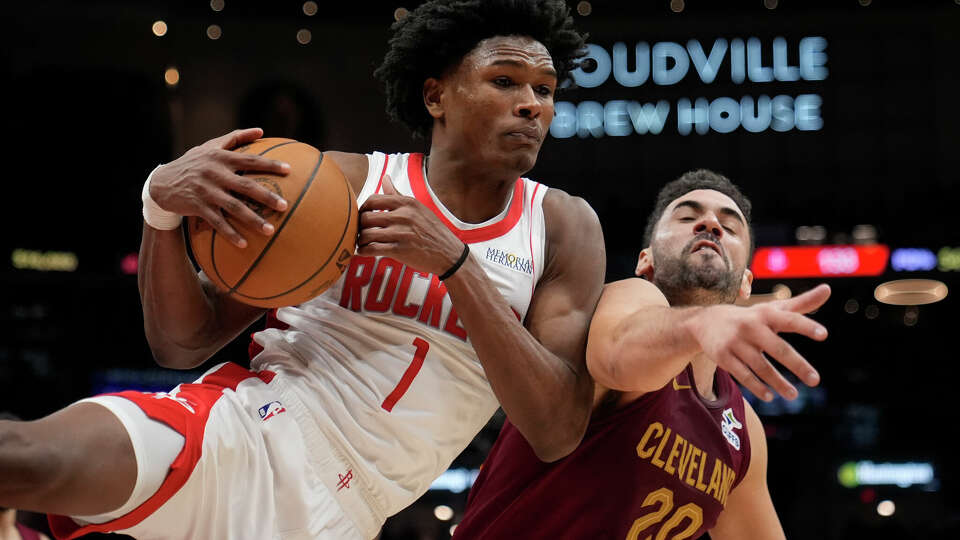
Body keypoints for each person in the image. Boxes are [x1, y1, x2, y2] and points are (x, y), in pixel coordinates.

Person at [0, 1, 605, 539]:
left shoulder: (561, 226)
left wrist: (455, 263)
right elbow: (180, 343)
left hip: (350, 515)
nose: (532, 104)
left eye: (546, 90)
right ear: (435, 96)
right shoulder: (345, 185)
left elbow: (555, 429)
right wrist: (160, 205)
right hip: (248, 435)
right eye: (505, 81)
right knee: (25, 456)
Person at [453, 170, 832, 540]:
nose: (711, 225)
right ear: (645, 261)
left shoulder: (742, 430)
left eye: (729, 227)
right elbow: (616, 358)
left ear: (747, 282)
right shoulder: (627, 297)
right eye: (687, 216)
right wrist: (701, 324)